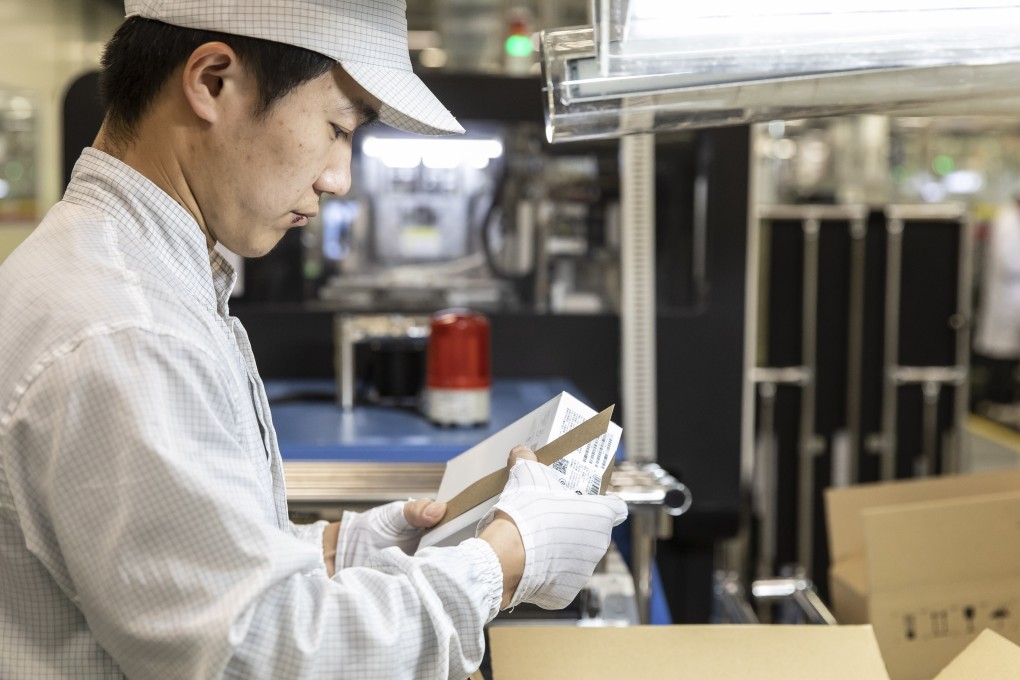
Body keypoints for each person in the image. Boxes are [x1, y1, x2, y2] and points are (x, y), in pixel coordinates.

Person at [0, 2, 627, 678]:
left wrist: (343, 547)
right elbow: (260, 652)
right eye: (335, 128)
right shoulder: (128, 329)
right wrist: (503, 563)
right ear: (212, 81)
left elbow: (174, 580)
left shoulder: (135, 275)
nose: (340, 177)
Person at [973, 191, 1020, 416]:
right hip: (1006, 297)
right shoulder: (1007, 221)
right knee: (1001, 355)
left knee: (1008, 354)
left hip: (1012, 299)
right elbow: (1009, 263)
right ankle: (995, 401)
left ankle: (1004, 399)